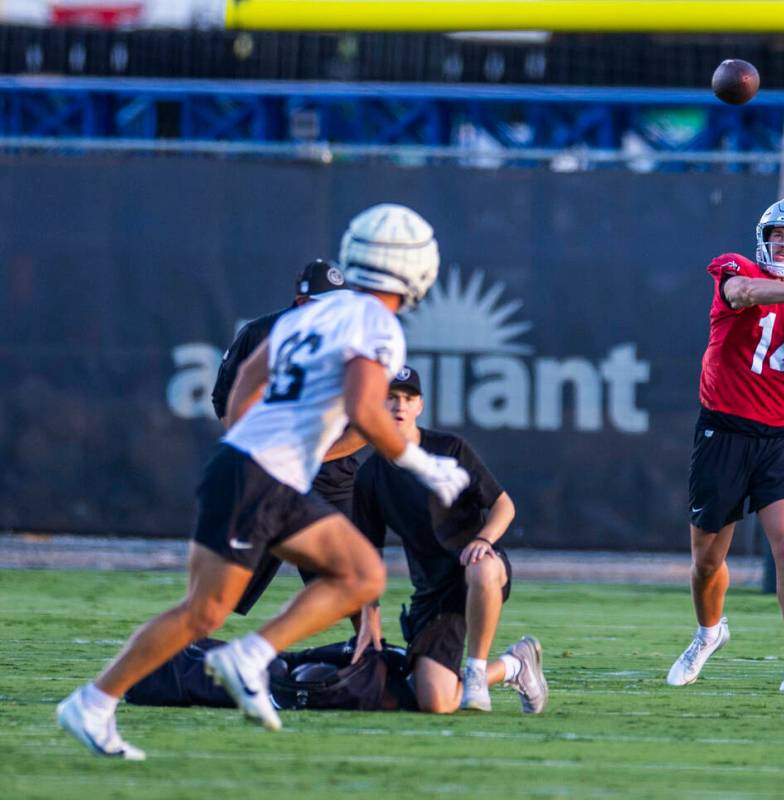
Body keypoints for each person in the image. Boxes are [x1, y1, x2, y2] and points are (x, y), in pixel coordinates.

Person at [57, 203, 470, 759]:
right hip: (261, 476)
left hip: (253, 469)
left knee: (356, 576)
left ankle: (114, 697)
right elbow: (364, 408)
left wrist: (263, 443)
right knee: (208, 612)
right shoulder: (378, 325)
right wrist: (420, 462)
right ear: (419, 269)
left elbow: (247, 381)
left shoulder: (307, 315)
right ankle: (118, 694)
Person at [667, 197, 784, 693]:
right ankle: (709, 632)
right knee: (707, 561)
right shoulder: (740, 268)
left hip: (776, 437)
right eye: (779, 234)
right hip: (722, 432)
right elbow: (744, 291)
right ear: (764, 237)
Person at [351, 366, 548, 714]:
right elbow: (366, 556)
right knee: (436, 703)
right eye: (391, 398)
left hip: (478, 568)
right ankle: (514, 665)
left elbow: (504, 505)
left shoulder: (449, 448)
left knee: (482, 570)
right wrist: (370, 619)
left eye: (408, 398)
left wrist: (484, 539)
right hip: (433, 593)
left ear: (420, 406)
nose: (399, 406)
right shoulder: (370, 475)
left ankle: (474, 670)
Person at [210, 258, 365, 615]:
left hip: (330, 479)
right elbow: (225, 400)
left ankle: (368, 656)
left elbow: (366, 424)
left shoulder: (354, 343)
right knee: (225, 585)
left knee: (351, 580)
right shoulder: (262, 336)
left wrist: (314, 456)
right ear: (301, 303)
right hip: (270, 477)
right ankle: (191, 656)